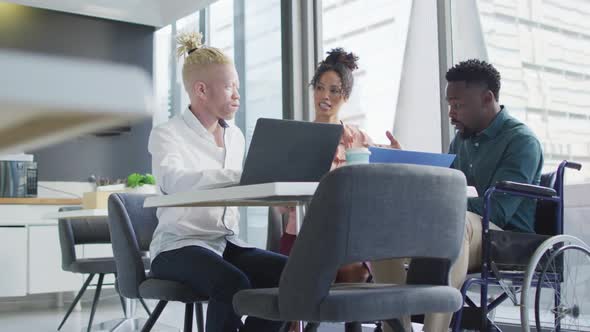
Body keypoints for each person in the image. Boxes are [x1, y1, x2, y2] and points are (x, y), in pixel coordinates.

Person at [371, 59, 544, 332]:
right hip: (461, 229)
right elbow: (446, 188)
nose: (451, 113)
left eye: (458, 105)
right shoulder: (461, 140)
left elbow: (497, 211)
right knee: (385, 229)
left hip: (505, 236)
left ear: (487, 99)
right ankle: (397, 328)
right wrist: (403, 164)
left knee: (455, 221)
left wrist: (441, 201)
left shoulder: (521, 141)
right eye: (449, 104)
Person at [148, 31, 287, 332]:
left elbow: (243, 190)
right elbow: (173, 181)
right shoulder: (166, 134)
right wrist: (241, 177)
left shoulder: (235, 136)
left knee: (290, 274)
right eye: (229, 87)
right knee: (232, 282)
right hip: (177, 247)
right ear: (201, 90)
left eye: (237, 86)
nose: (237, 94)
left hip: (225, 243)